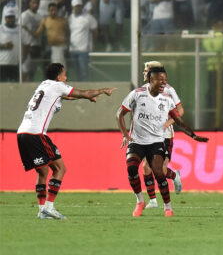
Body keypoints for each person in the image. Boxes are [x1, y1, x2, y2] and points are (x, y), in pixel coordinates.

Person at [17, 63, 115, 219]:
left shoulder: (44, 85)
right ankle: (49, 207)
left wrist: (84, 97)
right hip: (36, 133)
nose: (66, 77)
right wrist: (101, 91)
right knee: (60, 168)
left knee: (43, 171)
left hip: (22, 133)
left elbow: (66, 96)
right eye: (64, 74)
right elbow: (83, 93)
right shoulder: (57, 86)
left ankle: (42, 210)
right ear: (58, 77)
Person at [117, 66, 208, 217]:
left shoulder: (166, 98)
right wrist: (125, 134)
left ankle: (168, 207)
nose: (163, 83)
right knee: (131, 168)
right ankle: (140, 201)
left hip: (156, 142)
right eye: (160, 80)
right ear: (150, 79)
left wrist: (193, 135)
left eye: (165, 80)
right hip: (137, 141)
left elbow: (178, 120)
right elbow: (119, 114)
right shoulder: (137, 94)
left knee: (159, 172)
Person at [139, 61, 186, 209]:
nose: (143, 73)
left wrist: (167, 123)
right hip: (148, 135)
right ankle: (152, 200)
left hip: (165, 136)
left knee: (160, 169)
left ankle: (174, 175)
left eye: (146, 70)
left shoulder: (168, 90)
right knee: (146, 166)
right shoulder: (142, 90)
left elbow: (180, 110)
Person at [68, 0, 97, 81]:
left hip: (84, 50)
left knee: (84, 72)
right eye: (76, 6)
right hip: (72, 49)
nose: (77, 8)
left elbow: (95, 30)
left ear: (82, 6)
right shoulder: (70, 18)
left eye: (79, 6)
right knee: (76, 73)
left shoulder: (88, 17)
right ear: (72, 7)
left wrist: (93, 43)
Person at [21, 0, 43, 81]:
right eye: (33, 2)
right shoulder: (24, 15)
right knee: (25, 70)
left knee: (32, 71)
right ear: (29, 3)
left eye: (37, 3)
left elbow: (38, 34)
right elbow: (21, 31)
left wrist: (28, 29)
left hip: (37, 45)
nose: (36, 5)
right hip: (27, 45)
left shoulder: (40, 16)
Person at [0, 8, 20, 82]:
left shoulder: (20, 29)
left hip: (15, 63)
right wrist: (4, 46)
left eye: (12, 17)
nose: (10, 19)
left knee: (16, 86)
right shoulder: (0, 29)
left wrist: (23, 57)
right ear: (5, 18)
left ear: (15, 18)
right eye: (8, 17)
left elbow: (26, 43)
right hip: (2, 63)